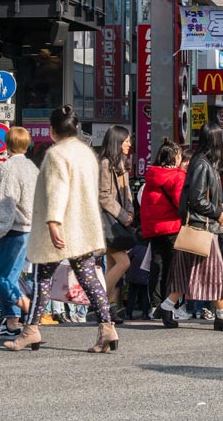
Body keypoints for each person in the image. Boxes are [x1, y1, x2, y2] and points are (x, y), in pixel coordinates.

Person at [6, 105, 116, 353]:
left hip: (60, 225)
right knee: (89, 279)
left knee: (42, 278)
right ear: (76, 128)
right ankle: (107, 328)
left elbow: (57, 189)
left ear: (52, 130)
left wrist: (53, 222)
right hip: (83, 224)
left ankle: (30, 330)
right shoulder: (87, 153)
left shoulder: (56, 155)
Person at [158, 122, 223, 333]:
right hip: (203, 228)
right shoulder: (203, 165)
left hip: (197, 227)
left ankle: (167, 307)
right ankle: (222, 316)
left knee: (188, 272)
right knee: (215, 272)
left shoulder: (201, 162)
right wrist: (219, 213)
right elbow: (196, 199)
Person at [0, 126, 39, 340]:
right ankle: (12, 324)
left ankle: (27, 307)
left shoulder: (7, 168)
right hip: (28, 229)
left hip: (11, 230)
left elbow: (4, 203)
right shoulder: (32, 168)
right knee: (11, 278)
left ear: (6, 144)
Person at [140, 138, 185, 317]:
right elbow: (179, 202)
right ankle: (168, 305)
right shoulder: (177, 176)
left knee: (157, 266)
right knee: (173, 267)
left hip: (154, 229)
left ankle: (154, 304)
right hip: (173, 227)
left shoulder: (151, 176)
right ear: (174, 158)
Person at [98, 124, 137, 321]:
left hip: (118, 222)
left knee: (114, 264)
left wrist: (129, 212)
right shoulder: (105, 163)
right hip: (107, 222)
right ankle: (100, 304)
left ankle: (109, 309)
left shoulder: (121, 164)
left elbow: (127, 193)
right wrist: (123, 215)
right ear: (117, 141)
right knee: (124, 262)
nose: (130, 143)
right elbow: (103, 196)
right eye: (127, 140)